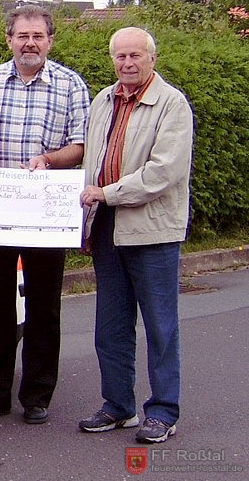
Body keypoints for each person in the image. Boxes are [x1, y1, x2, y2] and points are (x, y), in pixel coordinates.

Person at [0, 5, 90, 424]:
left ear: (50, 40)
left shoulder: (70, 85)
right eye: (22, 36)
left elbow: (81, 145)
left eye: (37, 36)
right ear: (9, 39)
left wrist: (48, 160)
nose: (30, 43)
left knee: (43, 309)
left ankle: (36, 395)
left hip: (45, 217)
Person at [78, 27, 193, 444]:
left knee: (160, 326)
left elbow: (164, 172)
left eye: (135, 56)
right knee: (110, 324)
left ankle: (163, 411)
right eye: (120, 56)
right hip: (106, 224)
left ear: (152, 58)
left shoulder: (172, 104)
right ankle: (118, 405)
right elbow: (91, 161)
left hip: (152, 229)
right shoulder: (102, 100)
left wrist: (107, 193)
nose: (127, 63)